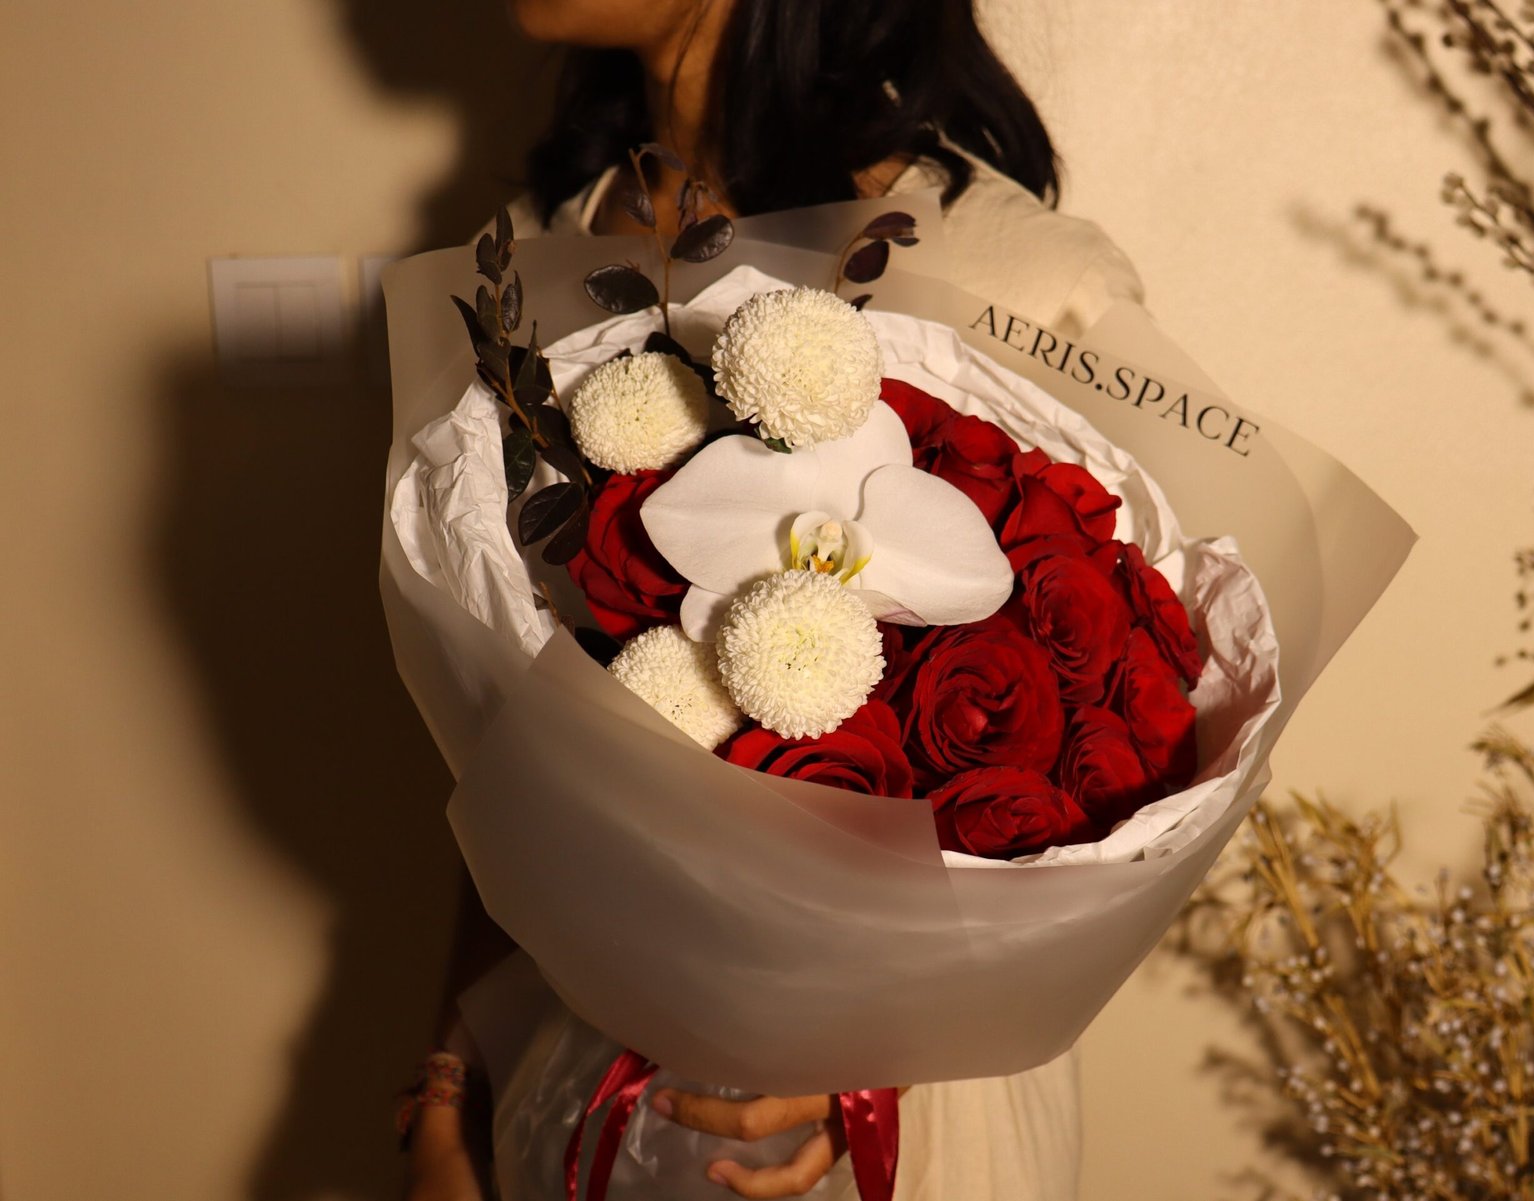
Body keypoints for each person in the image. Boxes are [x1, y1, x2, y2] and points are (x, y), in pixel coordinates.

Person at [401, 2, 1145, 1198]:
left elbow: (1137, 757)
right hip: (575, 1076)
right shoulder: (527, 256)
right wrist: (451, 1077)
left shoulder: (1011, 277)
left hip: (901, 1118)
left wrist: (889, 1058)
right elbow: (508, 758)